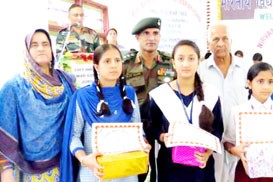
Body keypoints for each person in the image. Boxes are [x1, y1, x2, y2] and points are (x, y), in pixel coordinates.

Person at [60, 44, 149, 182]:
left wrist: (143, 143)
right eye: (107, 61)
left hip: (126, 173)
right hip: (94, 172)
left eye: (117, 60)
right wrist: (84, 159)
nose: (113, 65)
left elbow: (137, 129)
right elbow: (73, 136)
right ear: (96, 66)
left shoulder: (130, 93)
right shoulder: (83, 96)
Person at [0, 29, 76, 181]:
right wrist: (5, 170)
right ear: (27, 51)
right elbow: (4, 132)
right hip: (30, 172)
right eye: (34, 45)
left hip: (65, 165)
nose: (41, 48)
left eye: (45, 44)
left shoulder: (67, 81)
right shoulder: (15, 87)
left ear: (51, 49)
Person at [149, 40, 223, 182]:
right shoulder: (160, 94)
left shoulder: (211, 94)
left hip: (201, 168)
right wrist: (161, 136)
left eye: (191, 58)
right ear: (173, 62)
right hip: (170, 168)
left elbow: (218, 130)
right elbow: (152, 127)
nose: (186, 64)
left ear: (199, 61)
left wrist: (209, 151)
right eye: (181, 59)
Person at [123, 17, 176, 182]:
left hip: (163, 130)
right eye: (146, 33)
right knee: (138, 173)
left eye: (155, 33)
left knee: (163, 173)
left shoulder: (170, 63)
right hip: (137, 129)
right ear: (137, 37)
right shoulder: (126, 64)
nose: (151, 38)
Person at [223, 62, 273, 182]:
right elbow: (227, 142)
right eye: (260, 81)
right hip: (248, 171)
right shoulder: (238, 111)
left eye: (270, 82)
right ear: (249, 83)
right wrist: (234, 150)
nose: (266, 87)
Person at [198, 22, 250, 182]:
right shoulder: (200, 70)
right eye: (215, 39)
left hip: (241, 142)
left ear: (231, 41)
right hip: (212, 142)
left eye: (225, 38)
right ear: (208, 43)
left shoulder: (246, 69)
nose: (220, 43)